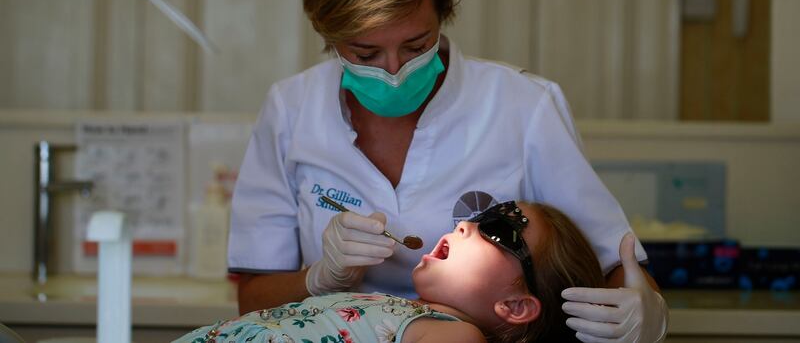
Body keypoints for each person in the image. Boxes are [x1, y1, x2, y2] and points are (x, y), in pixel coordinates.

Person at [228, 0, 668, 342]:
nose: (395, 72)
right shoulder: (291, 109)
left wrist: (646, 313)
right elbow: (252, 300)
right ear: (329, 34)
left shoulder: (522, 105)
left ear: (443, 13)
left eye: (416, 46)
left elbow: (614, 265)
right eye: (365, 53)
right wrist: (320, 279)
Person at [177, 201, 615, 343]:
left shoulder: (455, 336)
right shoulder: (408, 315)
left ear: (516, 305)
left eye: (500, 230)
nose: (465, 224)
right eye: (484, 214)